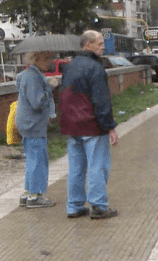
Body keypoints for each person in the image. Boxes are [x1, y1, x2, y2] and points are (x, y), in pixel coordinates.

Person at [59, 30, 119, 220]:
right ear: (88, 45)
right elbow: (101, 101)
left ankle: (74, 206)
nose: (103, 47)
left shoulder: (70, 67)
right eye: (99, 43)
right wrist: (109, 126)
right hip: (91, 125)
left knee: (76, 168)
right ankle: (99, 206)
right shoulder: (95, 68)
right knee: (97, 166)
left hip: (71, 126)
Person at [15, 51, 59, 209]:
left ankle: (27, 193)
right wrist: (49, 86)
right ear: (35, 58)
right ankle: (35, 196)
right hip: (33, 125)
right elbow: (37, 102)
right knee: (38, 159)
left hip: (28, 124)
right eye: (46, 58)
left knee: (32, 159)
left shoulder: (29, 75)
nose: (50, 61)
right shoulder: (33, 77)